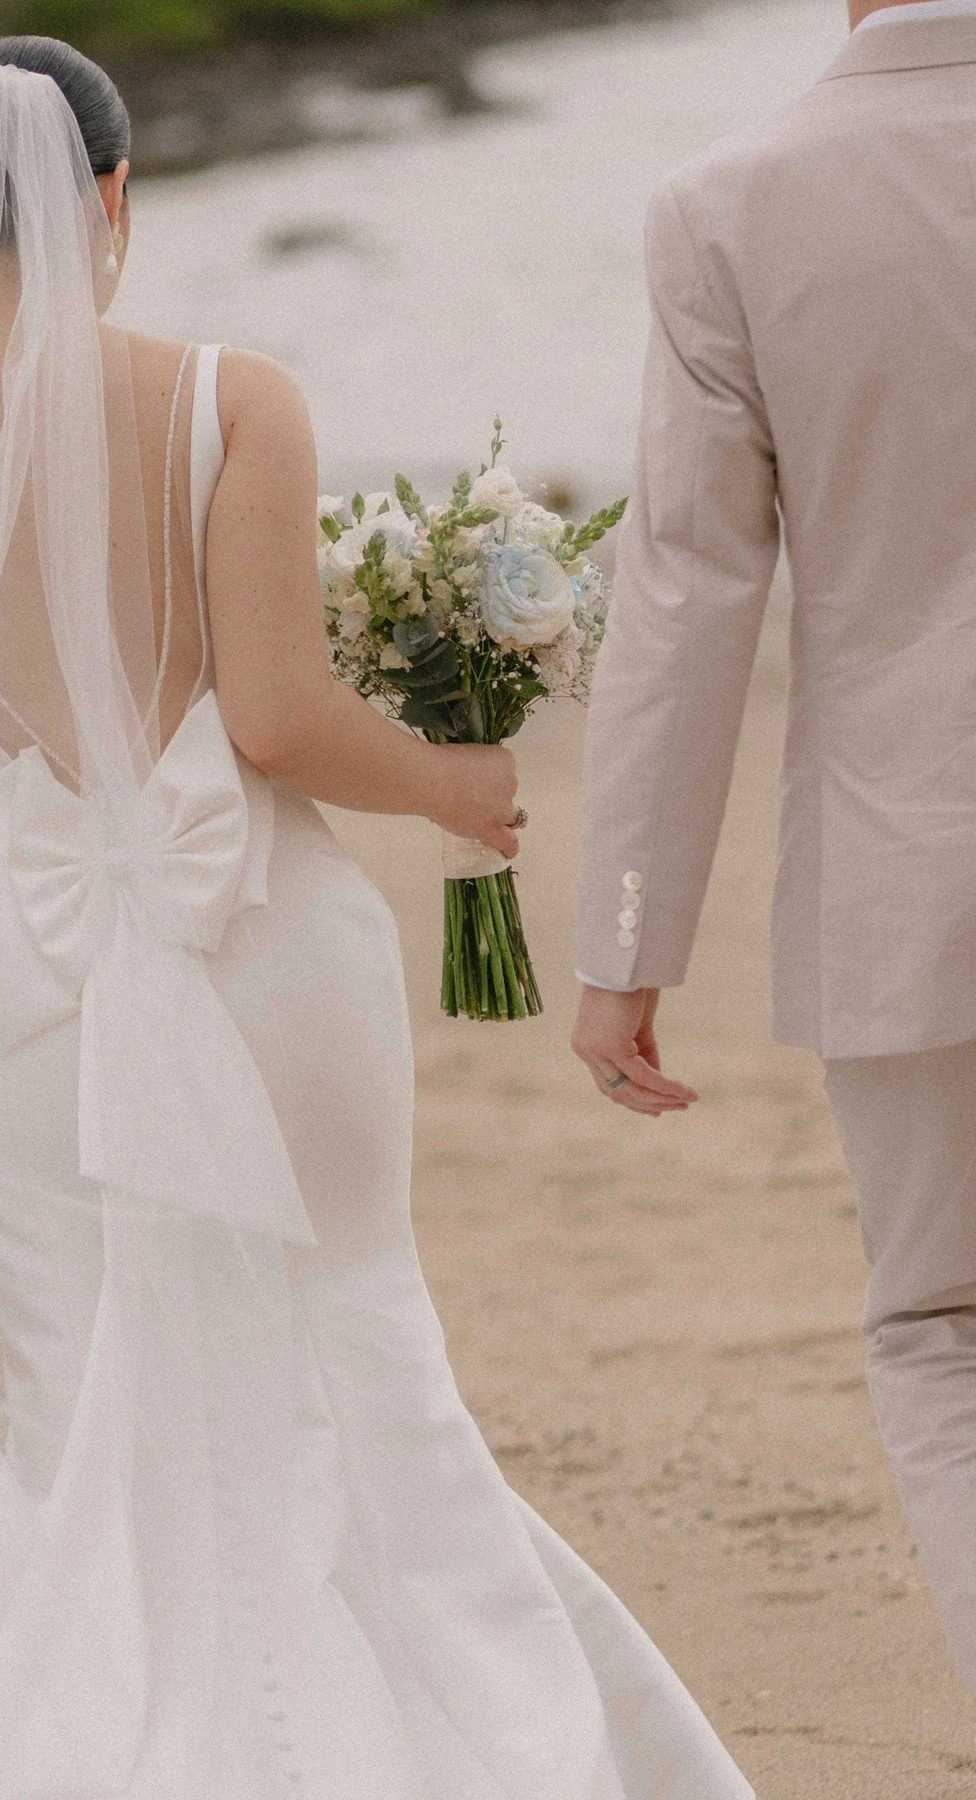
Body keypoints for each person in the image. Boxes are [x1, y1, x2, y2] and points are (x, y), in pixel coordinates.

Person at [0, 36, 752, 1799]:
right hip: (264, 956)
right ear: (115, 195)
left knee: (81, 1427)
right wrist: (453, 788)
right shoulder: (232, 398)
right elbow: (274, 721)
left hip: (16, 998)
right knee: (356, 1346)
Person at [572, 0, 976, 1699]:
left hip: (910, 861)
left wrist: (626, 934)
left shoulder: (728, 203)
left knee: (941, 1327)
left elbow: (687, 592)